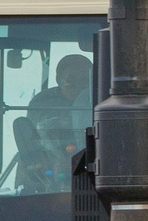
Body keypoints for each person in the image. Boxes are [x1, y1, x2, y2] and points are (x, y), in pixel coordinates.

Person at [21, 53, 94, 187]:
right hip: (47, 172)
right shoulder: (43, 102)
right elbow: (43, 134)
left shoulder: (100, 101)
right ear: (58, 79)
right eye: (70, 81)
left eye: (84, 82)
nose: (78, 87)